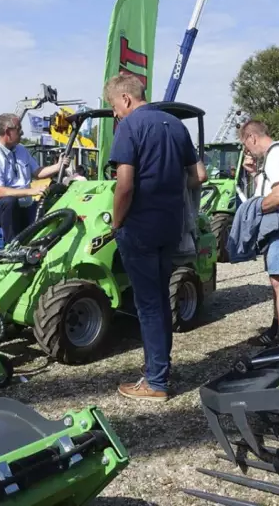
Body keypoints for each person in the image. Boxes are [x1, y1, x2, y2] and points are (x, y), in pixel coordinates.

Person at [106, 73, 204, 402]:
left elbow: (125, 185)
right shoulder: (176, 126)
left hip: (139, 228)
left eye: (113, 106)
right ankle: (158, 369)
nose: (115, 113)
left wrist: (116, 222)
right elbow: (198, 176)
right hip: (170, 225)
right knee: (161, 300)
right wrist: (167, 186)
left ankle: (156, 382)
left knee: (148, 306)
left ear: (126, 99)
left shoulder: (130, 127)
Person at [239, 120, 279, 347]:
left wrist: (253, 211)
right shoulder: (278, 154)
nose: (249, 151)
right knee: (276, 279)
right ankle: (276, 329)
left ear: (252, 138)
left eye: (247, 146)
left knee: (278, 280)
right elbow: (269, 188)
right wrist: (254, 172)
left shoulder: (276, 155)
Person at [0, 113, 69, 242]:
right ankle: (11, 246)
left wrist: (58, 166)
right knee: (9, 201)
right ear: (7, 132)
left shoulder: (21, 150)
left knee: (47, 209)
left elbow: (37, 172)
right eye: (18, 128)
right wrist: (30, 191)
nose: (22, 132)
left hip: (24, 205)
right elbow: (0, 192)